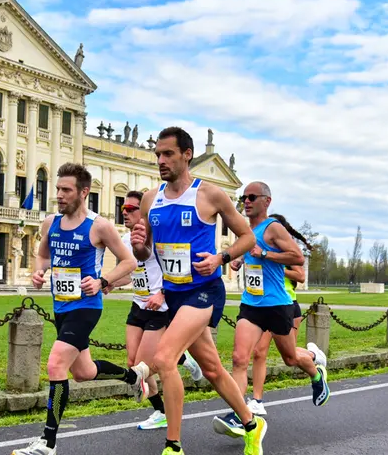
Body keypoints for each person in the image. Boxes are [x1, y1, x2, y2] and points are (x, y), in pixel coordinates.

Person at [129, 127, 265, 454]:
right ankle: (250, 424)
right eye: (158, 154)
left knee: (164, 358)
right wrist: (137, 248)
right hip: (174, 295)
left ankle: (173, 445)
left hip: (204, 291)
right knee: (212, 369)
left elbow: (247, 238)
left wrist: (221, 257)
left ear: (186, 154)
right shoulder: (151, 199)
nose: (161, 160)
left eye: (168, 154)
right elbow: (146, 253)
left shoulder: (210, 194)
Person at [13, 163, 142, 455]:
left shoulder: (99, 226)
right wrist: (38, 272)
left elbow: (129, 262)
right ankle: (132, 377)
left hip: (86, 306)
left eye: (66, 190)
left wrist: (101, 281)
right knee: (84, 371)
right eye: (58, 189)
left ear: (83, 192)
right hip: (61, 306)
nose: (58, 195)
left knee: (56, 365)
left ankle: (47, 443)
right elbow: (43, 255)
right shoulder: (50, 223)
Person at [213, 190, 329, 436]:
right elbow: (248, 253)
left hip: (277, 304)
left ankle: (315, 371)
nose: (246, 200)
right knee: (239, 358)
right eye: (244, 196)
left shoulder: (273, 228)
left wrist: (265, 254)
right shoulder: (245, 230)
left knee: (289, 358)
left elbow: (297, 257)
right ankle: (239, 414)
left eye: (252, 196)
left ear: (267, 201)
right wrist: (239, 260)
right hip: (251, 304)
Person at [104, 190, 204, 430]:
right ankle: (160, 410)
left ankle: (180, 357)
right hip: (138, 304)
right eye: (123, 209)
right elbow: (129, 275)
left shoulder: (159, 237)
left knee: (143, 365)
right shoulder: (126, 241)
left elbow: (178, 271)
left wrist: (162, 293)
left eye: (131, 209)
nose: (125, 213)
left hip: (160, 306)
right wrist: (107, 283)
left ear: (145, 212)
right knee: (132, 362)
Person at [248, 213, 313, 416]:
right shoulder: (260, 245)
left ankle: (312, 356)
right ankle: (257, 400)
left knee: (288, 357)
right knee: (260, 352)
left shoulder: (284, 250)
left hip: (286, 304)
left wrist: (276, 267)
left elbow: (300, 275)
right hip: (264, 304)